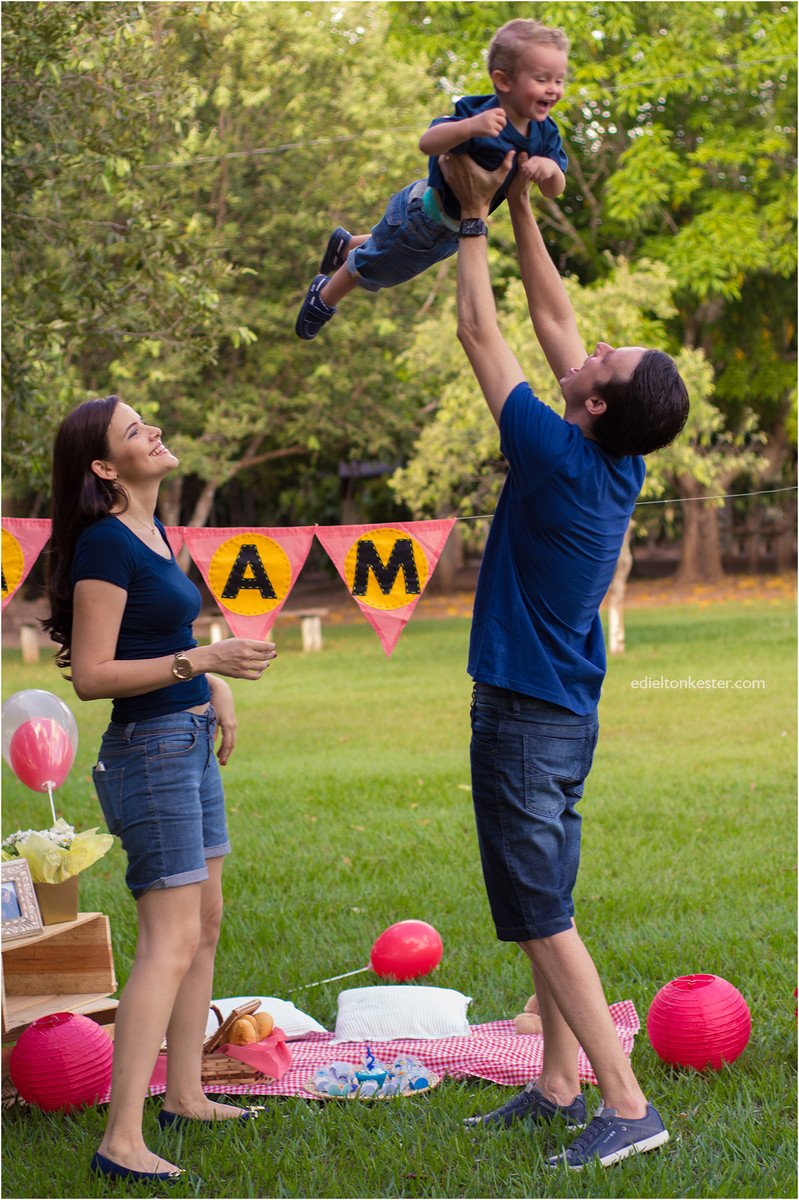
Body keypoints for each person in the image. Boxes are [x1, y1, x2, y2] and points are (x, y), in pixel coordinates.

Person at [442, 147, 689, 1170]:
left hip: (523, 717)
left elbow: (480, 331)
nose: (597, 344)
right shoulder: (611, 458)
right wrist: (517, 208)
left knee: (542, 919)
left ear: (593, 405)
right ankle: (555, 1084)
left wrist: (468, 221)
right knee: (546, 904)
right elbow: (552, 318)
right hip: (562, 716)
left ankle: (625, 1106)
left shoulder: (553, 457)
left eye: (608, 359)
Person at [42, 395, 278, 1185]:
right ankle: (122, 1140)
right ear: (104, 467)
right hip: (149, 754)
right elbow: (94, 674)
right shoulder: (105, 545)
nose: (156, 432)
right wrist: (204, 663)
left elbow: (164, 635)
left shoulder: (153, 531)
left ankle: (185, 1094)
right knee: (168, 941)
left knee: (203, 925)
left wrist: (215, 689)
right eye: (135, 430)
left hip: (187, 741)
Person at [296, 18, 568, 341]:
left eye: (559, 80)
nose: (554, 89)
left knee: (387, 246)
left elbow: (554, 190)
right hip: (424, 214)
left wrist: (550, 169)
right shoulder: (477, 112)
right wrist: (469, 128)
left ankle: (347, 243)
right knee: (377, 266)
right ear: (503, 81)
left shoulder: (546, 133)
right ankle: (324, 296)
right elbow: (428, 143)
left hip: (456, 228)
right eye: (542, 79)